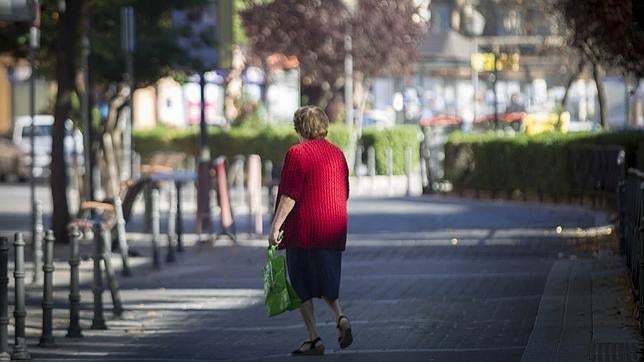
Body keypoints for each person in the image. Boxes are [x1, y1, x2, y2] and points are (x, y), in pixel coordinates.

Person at [268, 105, 352, 356]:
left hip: (303, 229)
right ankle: (340, 318)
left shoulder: (297, 153)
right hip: (332, 229)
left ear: (299, 128)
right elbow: (345, 191)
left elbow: (290, 195)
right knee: (327, 280)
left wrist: (276, 226)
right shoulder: (338, 154)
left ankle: (313, 338)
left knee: (300, 284)